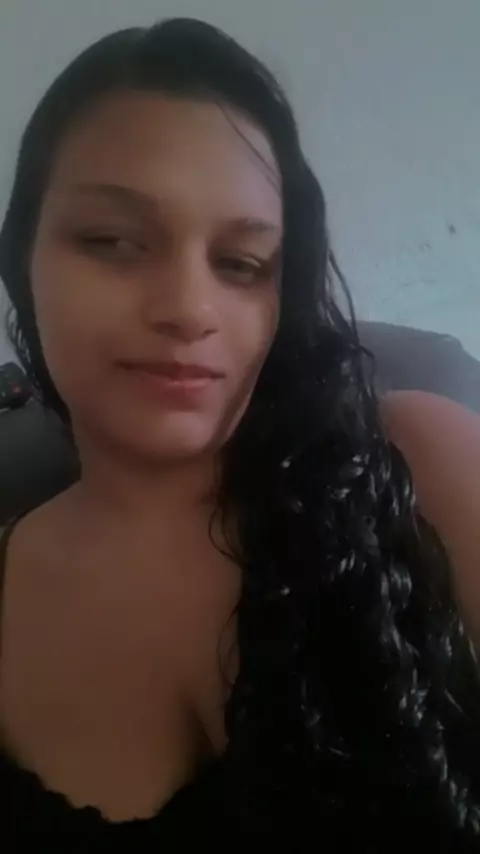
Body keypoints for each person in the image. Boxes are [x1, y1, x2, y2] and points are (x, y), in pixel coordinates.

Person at [0, 17, 479, 849]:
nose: (189, 309)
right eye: (112, 242)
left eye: (242, 264)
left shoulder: (421, 463)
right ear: (23, 261)